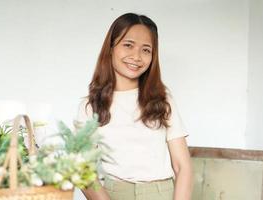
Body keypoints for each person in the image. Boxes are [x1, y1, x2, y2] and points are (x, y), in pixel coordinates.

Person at [76, 13, 193, 200]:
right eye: (128, 45)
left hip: (162, 194)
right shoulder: (91, 106)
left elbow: (182, 166)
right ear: (111, 47)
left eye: (146, 49)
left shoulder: (163, 99)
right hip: (112, 195)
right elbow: (81, 169)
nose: (136, 56)